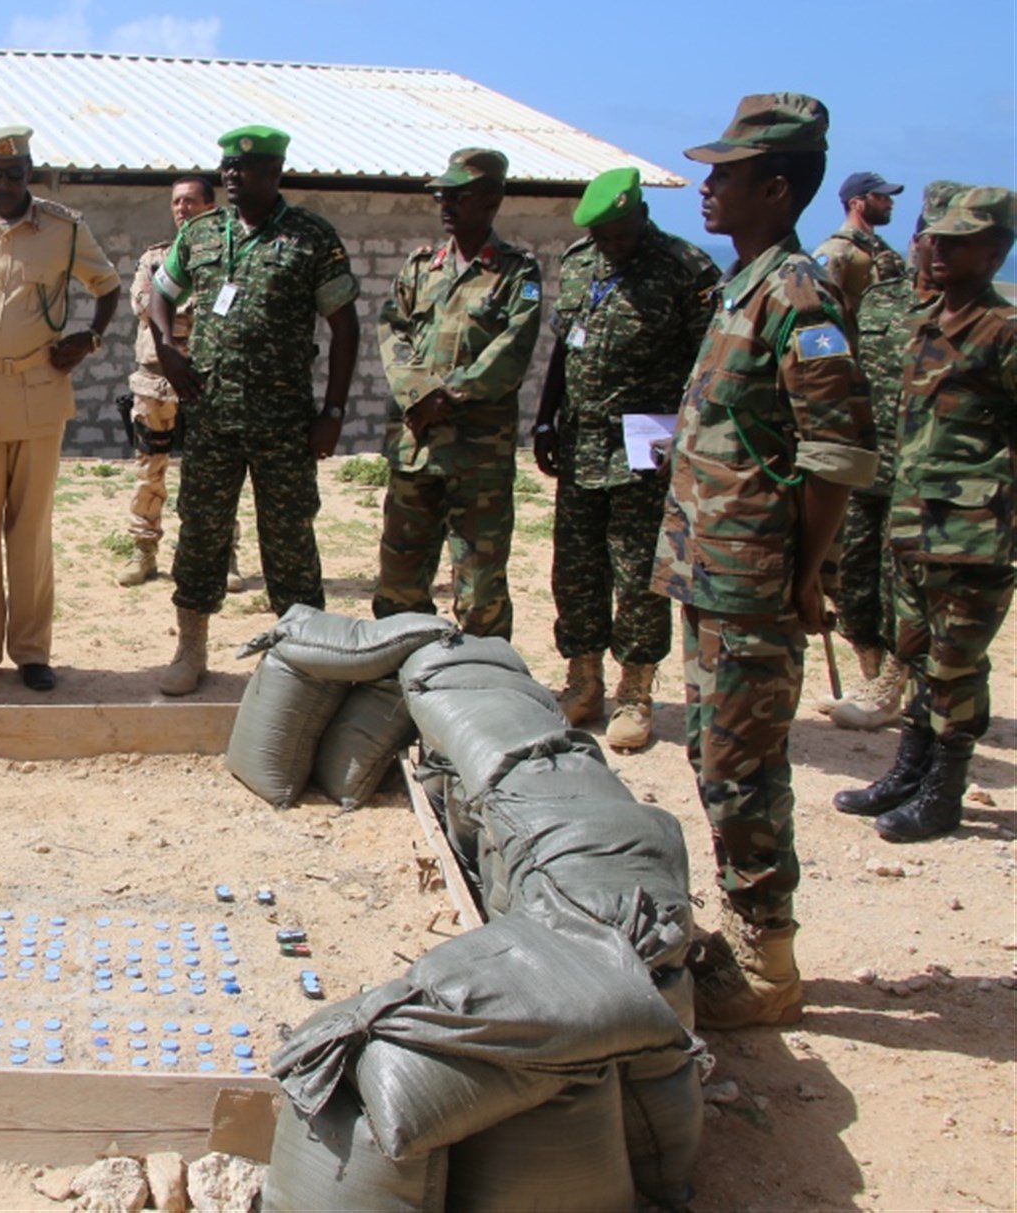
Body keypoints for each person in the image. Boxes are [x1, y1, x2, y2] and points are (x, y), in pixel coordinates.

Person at [655, 93, 876, 1029]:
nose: (707, 187)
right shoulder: (742, 283)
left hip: (751, 578)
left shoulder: (798, 293)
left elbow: (838, 455)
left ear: (778, 188)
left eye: (728, 173)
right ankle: (750, 929)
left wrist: (804, 572)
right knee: (714, 755)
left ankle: (767, 956)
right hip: (711, 567)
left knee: (744, 767)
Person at [147, 126, 361, 695]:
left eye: (246, 168)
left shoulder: (311, 238)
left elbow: (345, 326)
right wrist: (168, 350)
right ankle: (191, 648)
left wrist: (334, 409)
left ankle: (299, 657)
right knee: (201, 533)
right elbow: (159, 294)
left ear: (275, 173)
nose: (232, 177)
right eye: (227, 168)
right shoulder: (200, 234)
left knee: (289, 538)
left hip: (284, 420)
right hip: (213, 416)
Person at [834, 186, 1016, 843]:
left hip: (971, 535)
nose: (936, 248)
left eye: (956, 240)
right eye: (933, 236)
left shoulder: (1002, 332)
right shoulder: (926, 321)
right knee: (912, 655)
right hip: (911, 525)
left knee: (955, 666)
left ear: (996, 249)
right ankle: (908, 771)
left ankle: (943, 793)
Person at [0, 124, 121, 693]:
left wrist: (90, 339)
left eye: (15, 173)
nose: (4, 183)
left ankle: (32, 651)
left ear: (29, 172)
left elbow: (106, 286)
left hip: (39, 392)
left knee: (29, 531)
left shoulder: (63, 228)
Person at [533, 168, 718, 751]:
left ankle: (635, 691)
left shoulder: (687, 270)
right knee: (576, 566)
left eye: (616, 231)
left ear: (639, 215)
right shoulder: (582, 260)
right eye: (601, 234)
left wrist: (684, 442)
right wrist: (545, 416)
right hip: (582, 440)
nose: (608, 243)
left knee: (638, 572)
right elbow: (566, 343)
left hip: (646, 446)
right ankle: (582, 679)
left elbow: (708, 366)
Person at [374, 148, 543, 639]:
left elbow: (512, 350)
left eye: (458, 195)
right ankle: (401, 678)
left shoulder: (516, 273)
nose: (445, 204)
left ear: (492, 199)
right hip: (416, 445)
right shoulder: (421, 267)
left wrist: (447, 396)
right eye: (441, 195)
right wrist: (417, 394)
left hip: (477, 454)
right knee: (400, 577)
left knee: (479, 584)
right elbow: (392, 330)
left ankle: (483, 688)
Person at [825, 182, 965, 730]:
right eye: (930, 238)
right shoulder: (882, 297)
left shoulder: (973, 318)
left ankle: (899, 683)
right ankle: (873, 672)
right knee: (856, 577)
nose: (934, 250)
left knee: (905, 586)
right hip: (870, 464)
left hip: (930, 481)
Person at [120, 175, 246, 591]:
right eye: (176, 202)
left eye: (191, 201)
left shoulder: (227, 258)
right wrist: (185, 310)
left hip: (206, 381)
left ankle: (223, 553)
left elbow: (225, 309)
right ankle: (144, 552)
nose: (181, 209)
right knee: (149, 470)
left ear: (210, 206)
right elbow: (143, 304)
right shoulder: (154, 258)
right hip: (154, 380)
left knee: (213, 473)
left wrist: (171, 307)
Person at [815, 171, 908, 328]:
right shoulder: (836, 250)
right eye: (881, 197)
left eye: (888, 198)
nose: (890, 203)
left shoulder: (879, 248)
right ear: (856, 204)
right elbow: (822, 305)